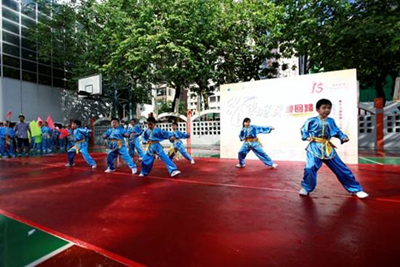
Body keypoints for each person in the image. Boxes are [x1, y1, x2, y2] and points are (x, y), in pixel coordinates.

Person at [299, 98, 368, 198]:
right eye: (324, 108)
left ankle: (355, 189)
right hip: (314, 148)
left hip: (328, 148)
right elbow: (303, 130)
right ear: (318, 109)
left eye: (329, 108)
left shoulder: (331, 121)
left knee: (342, 168)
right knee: (310, 167)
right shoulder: (311, 120)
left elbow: (337, 131)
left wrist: (343, 137)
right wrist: (306, 137)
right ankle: (306, 187)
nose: (327, 110)